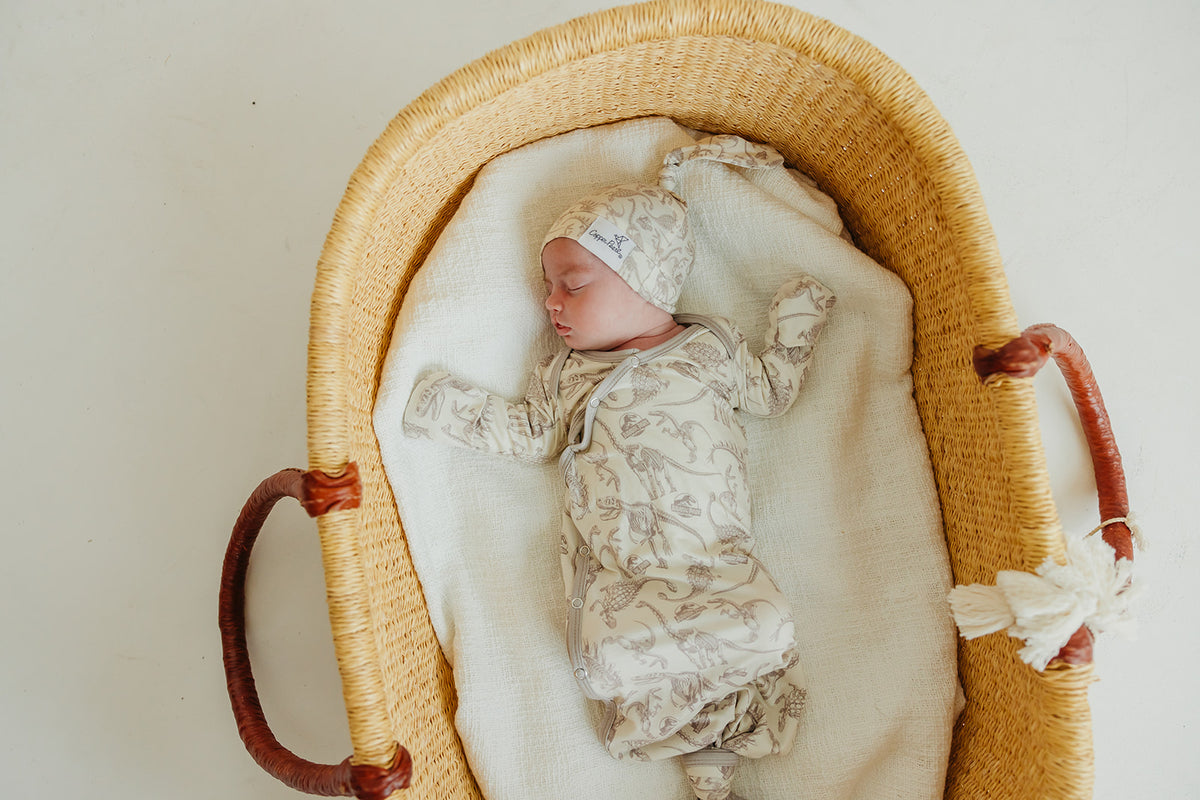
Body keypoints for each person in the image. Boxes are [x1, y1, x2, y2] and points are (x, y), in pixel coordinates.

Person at [402, 136, 835, 800]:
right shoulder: (568, 374)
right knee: (622, 651)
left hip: (715, 556)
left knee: (763, 625)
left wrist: (795, 326)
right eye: (548, 287)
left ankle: (714, 750)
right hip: (630, 568)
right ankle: (706, 762)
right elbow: (529, 434)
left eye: (572, 285)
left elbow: (772, 393)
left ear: (646, 280)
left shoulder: (711, 346)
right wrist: (442, 404)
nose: (551, 303)